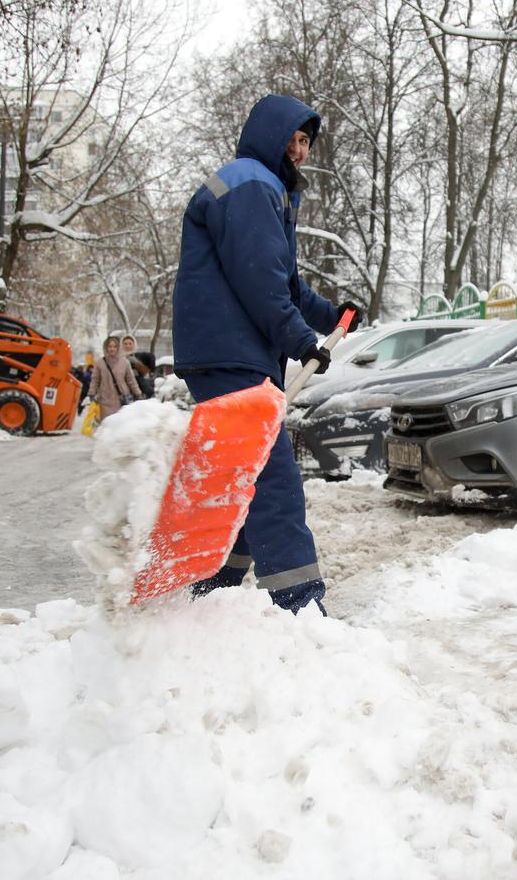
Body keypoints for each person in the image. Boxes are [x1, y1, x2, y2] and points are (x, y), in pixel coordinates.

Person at [172, 92, 360, 615]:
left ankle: (213, 593)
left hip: (229, 352)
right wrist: (300, 341)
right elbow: (259, 280)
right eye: (294, 138)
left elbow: (286, 284)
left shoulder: (260, 187)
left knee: (245, 474)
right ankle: (300, 606)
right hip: (230, 352)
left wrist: (332, 315)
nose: (300, 150)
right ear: (270, 136)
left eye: (306, 142)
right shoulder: (251, 183)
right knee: (273, 478)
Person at [86, 335, 143, 420]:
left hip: (121, 398)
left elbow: (131, 380)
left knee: (120, 422)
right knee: (106, 423)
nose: (112, 349)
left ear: (118, 348)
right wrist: (92, 393)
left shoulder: (125, 362)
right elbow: (95, 380)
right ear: (106, 348)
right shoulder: (100, 363)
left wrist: (138, 393)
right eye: (110, 346)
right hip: (104, 399)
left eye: (114, 346)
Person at [121, 335, 155, 399]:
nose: (128, 346)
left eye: (130, 344)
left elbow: (145, 373)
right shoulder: (117, 358)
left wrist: (136, 363)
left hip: (137, 388)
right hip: (122, 388)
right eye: (125, 344)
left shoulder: (139, 357)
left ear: (134, 345)